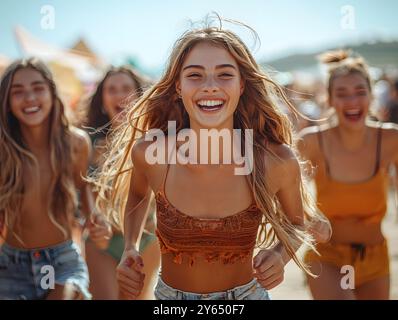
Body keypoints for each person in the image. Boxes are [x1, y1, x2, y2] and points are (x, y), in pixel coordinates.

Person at [93, 18, 330, 300]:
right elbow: (137, 194)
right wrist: (130, 247)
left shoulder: (273, 160)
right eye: (194, 75)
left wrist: (280, 255)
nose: (210, 86)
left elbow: (296, 222)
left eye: (224, 74)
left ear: (242, 85)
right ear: (178, 87)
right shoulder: (152, 154)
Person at [0, 58, 111, 300]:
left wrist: (95, 216)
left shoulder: (75, 143)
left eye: (38, 88)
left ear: (52, 93)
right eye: (18, 92)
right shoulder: (3, 150)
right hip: (10, 266)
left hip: (62, 261)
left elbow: (83, 185)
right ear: (7, 102)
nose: (30, 97)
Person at [298, 50, 398, 299]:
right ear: (330, 100)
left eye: (360, 92)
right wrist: (307, 215)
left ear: (372, 96)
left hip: (376, 256)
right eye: (341, 94)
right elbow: (282, 190)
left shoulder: (390, 139)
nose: (352, 101)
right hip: (327, 257)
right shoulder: (313, 142)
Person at [81, 66, 160, 299]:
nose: (119, 95)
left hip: (146, 238)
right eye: (111, 89)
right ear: (102, 99)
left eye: (126, 88)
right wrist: (93, 220)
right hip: (102, 242)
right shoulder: (88, 143)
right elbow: (84, 192)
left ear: (138, 95)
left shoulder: (155, 139)